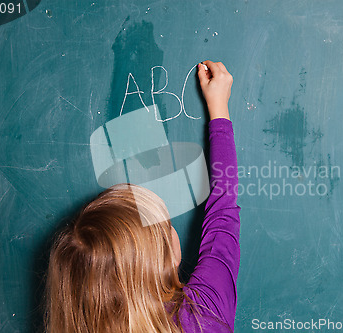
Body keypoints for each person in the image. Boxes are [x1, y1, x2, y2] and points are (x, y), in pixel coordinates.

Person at [44, 60, 240, 332]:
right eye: (166, 225)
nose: (173, 228)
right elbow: (223, 217)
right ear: (166, 260)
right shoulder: (203, 315)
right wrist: (219, 109)